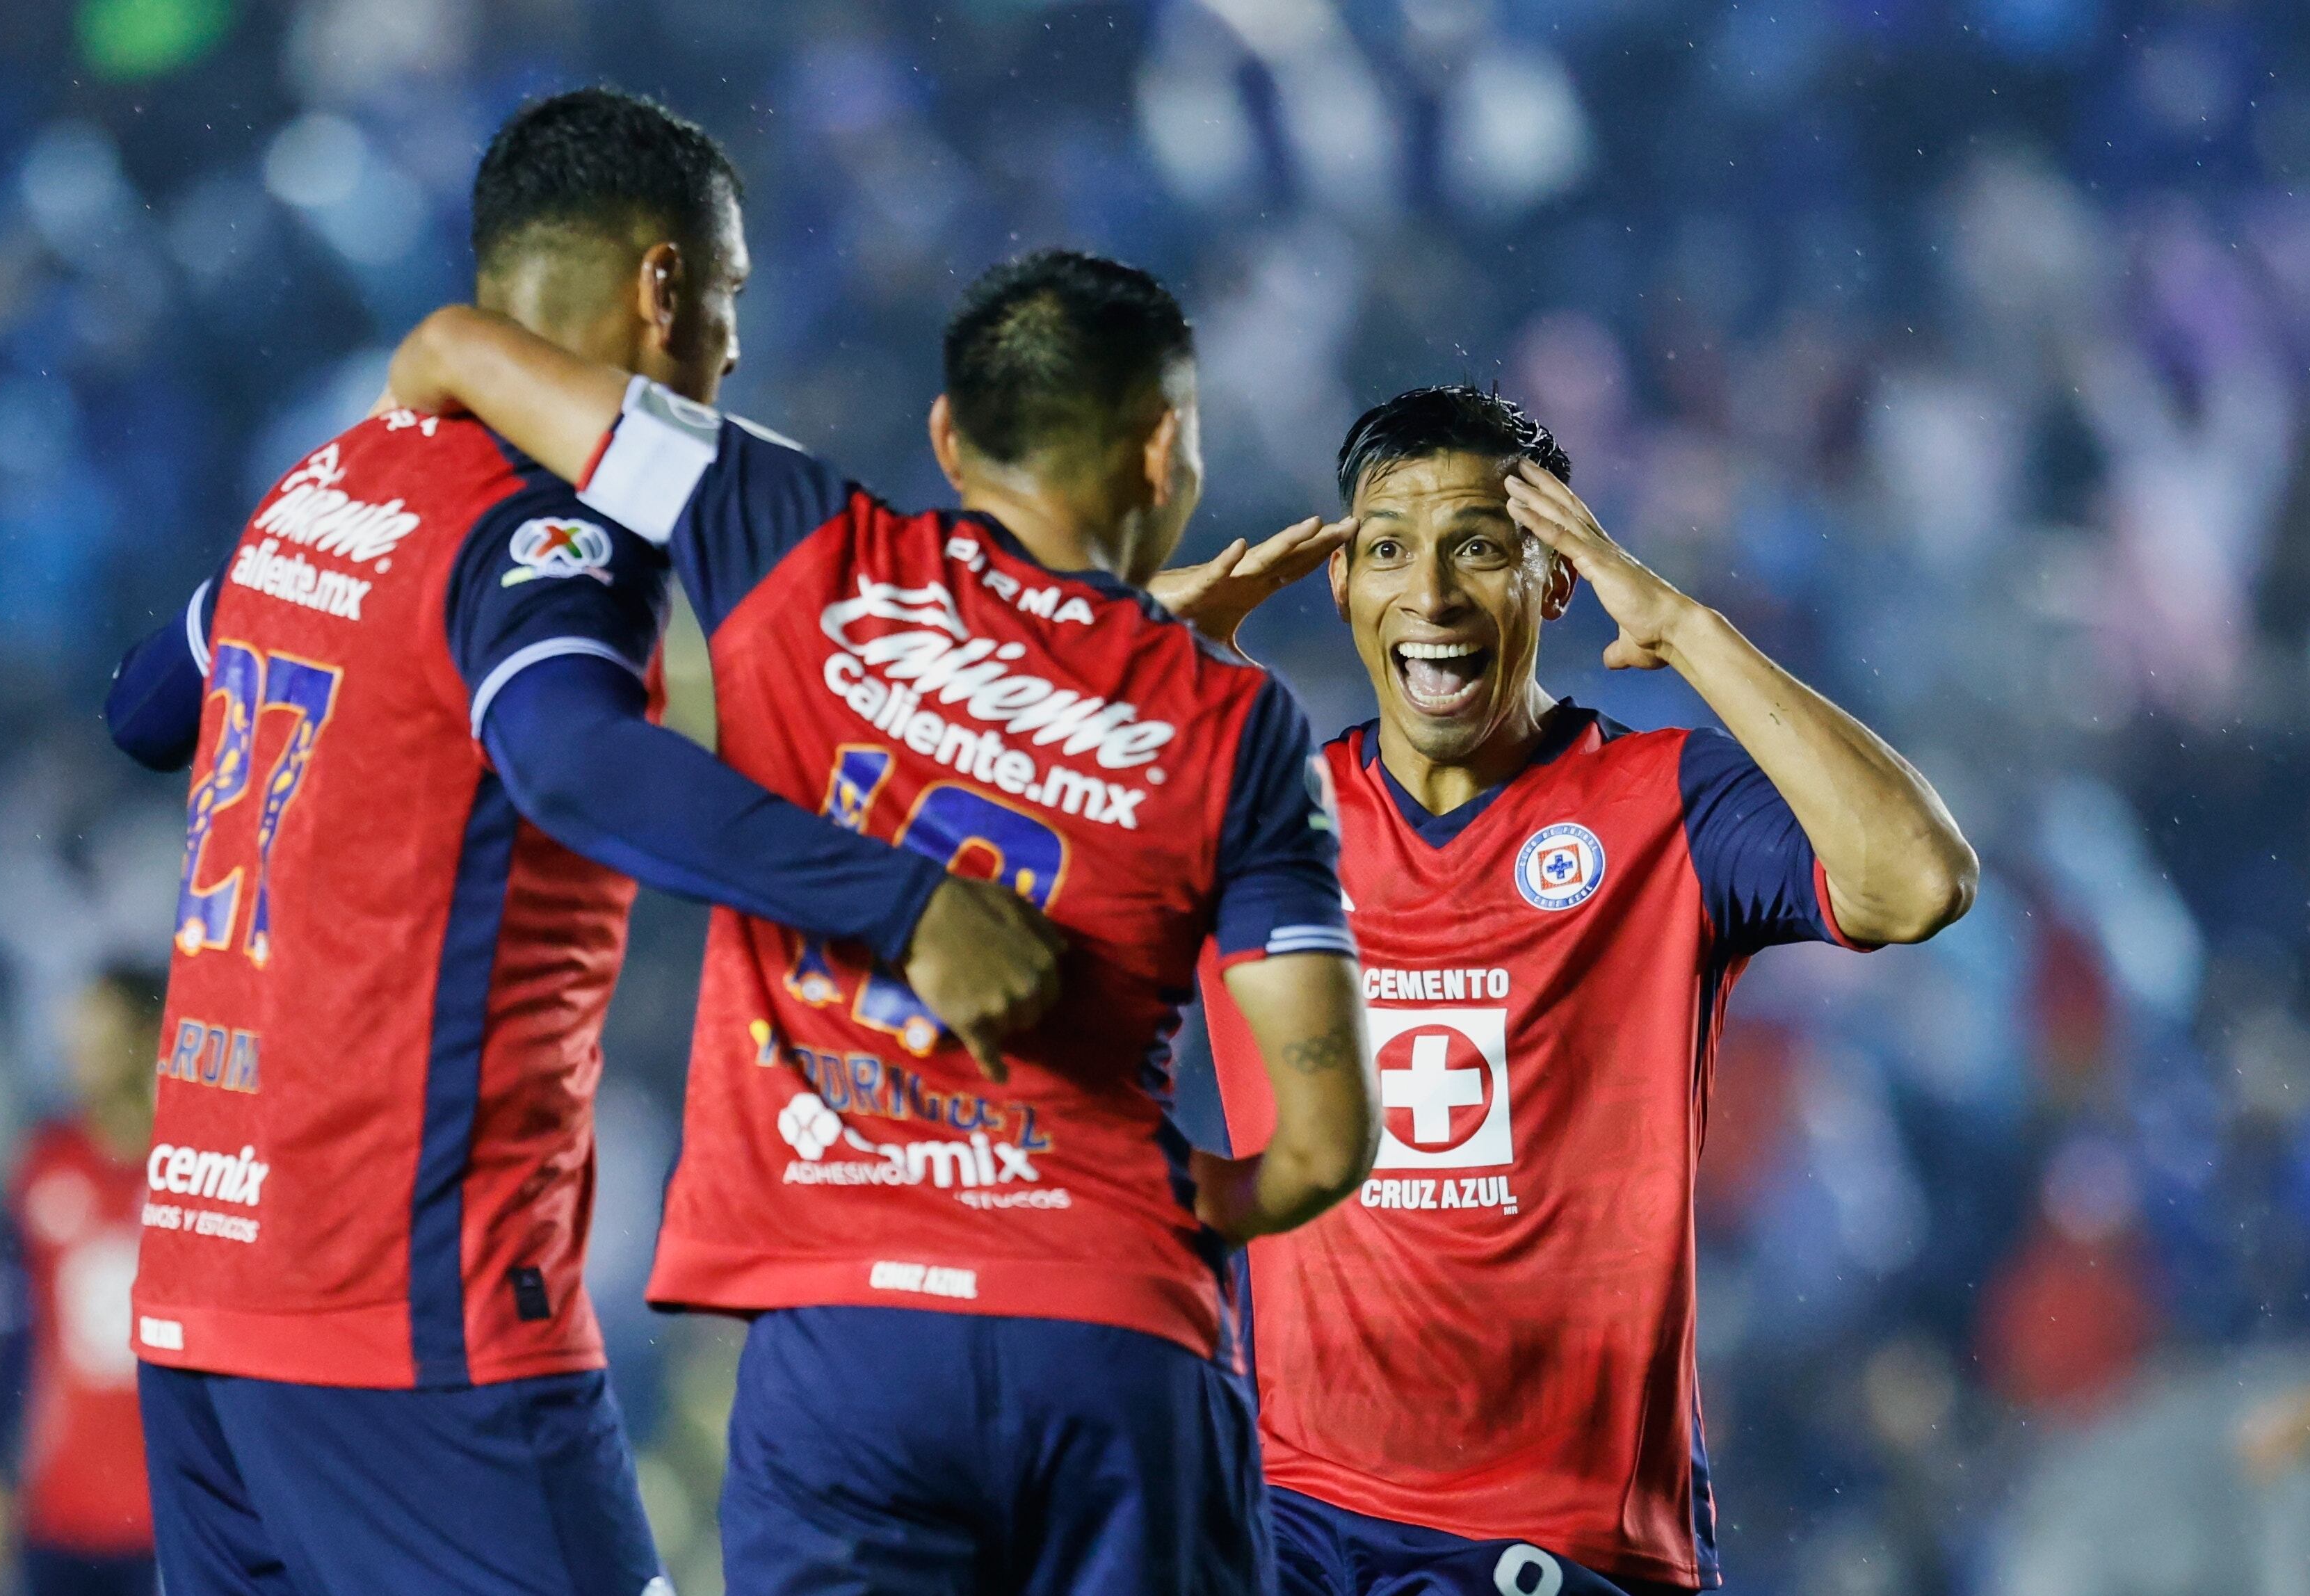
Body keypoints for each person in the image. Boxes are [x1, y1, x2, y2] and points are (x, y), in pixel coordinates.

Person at [98, 90, 1063, 1596]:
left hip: (204, 1299)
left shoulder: (319, 487)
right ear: (660, 284)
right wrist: (902, 904)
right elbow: (569, 761)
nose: (733, 345)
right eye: (727, 296)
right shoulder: (555, 523)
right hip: (405, 1307)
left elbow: (144, 708)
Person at [382, 247, 1382, 1596]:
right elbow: (1324, 1144)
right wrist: (1193, 1195)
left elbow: (459, 347)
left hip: (847, 1345)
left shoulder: (786, 526)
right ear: (1161, 454)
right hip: (1110, 1339)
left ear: (947, 437)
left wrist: (382, 480)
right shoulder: (1235, 721)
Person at [1193, 385, 1980, 1595]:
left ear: (1556, 581)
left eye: (1479, 549)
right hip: (1290, 1517)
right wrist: (1117, 638)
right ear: (1342, 584)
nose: (1434, 594)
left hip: (1559, 1538)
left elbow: (1916, 881)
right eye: (1389, 548)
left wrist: (1685, 628)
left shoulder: (1664, 803)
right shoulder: (1256, 813)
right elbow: (933, 858)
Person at [0, 967, 163, 1596]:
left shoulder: (194, 1170)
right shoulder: (47, 1163)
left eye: (98, 1035)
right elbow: (14, 1332)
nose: (79, 1056)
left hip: (165, 1509)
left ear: (147, 1035)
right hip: (63, 1509)